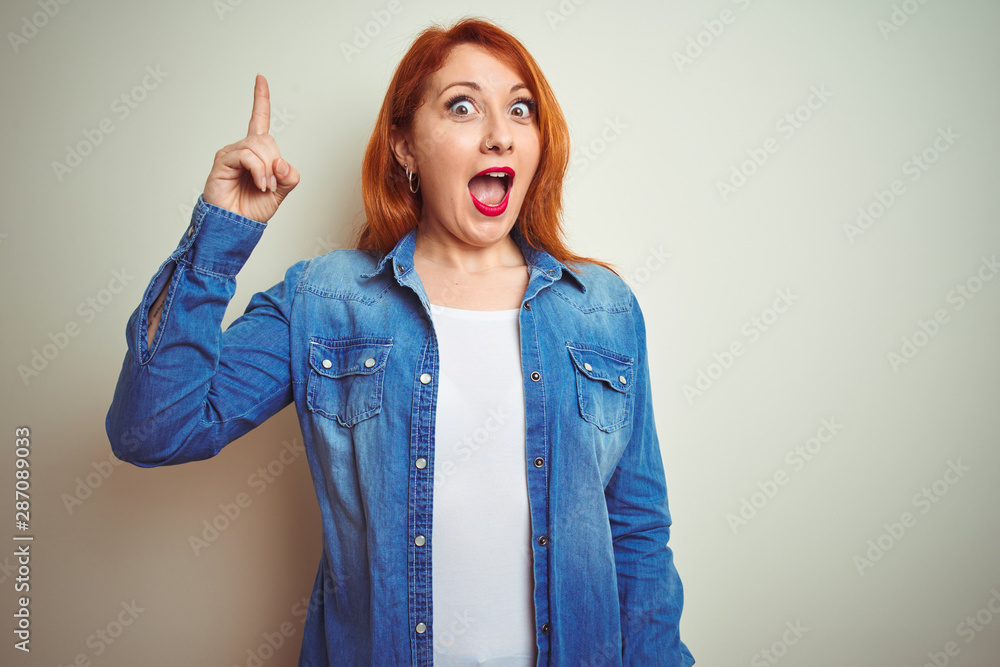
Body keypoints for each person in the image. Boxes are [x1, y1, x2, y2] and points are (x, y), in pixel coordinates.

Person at [106, 16, 694, 667]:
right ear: (405, 146)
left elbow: (638, 536)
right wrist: (221, 235)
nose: (499, 133)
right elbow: (153, 429)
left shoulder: (604, 308)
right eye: (463, 105)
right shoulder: (325, 299)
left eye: (520, 109)